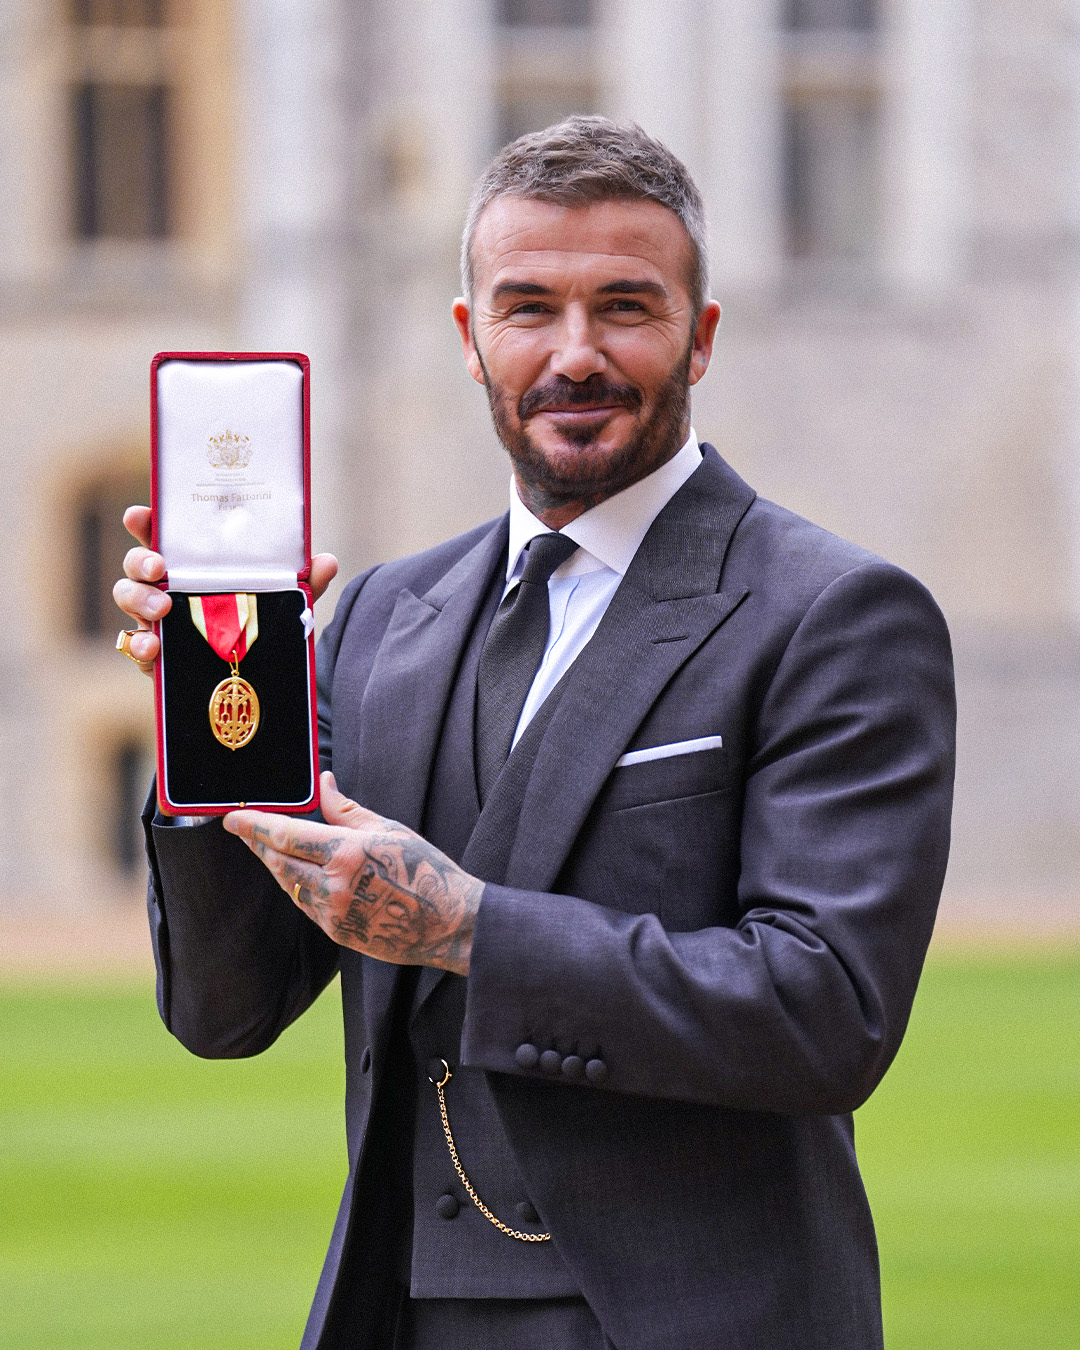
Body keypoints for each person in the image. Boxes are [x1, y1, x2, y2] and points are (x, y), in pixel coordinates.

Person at [114, 117, 955, 1350]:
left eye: (625, 307)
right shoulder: (382, 616)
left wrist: (468, 930)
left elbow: (827, 1012)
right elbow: (225, 1012)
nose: (576, 354)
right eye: (529, 309)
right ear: (471, 338)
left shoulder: (834, 614)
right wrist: (210, 701)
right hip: (401, 1314)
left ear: (701, 336)